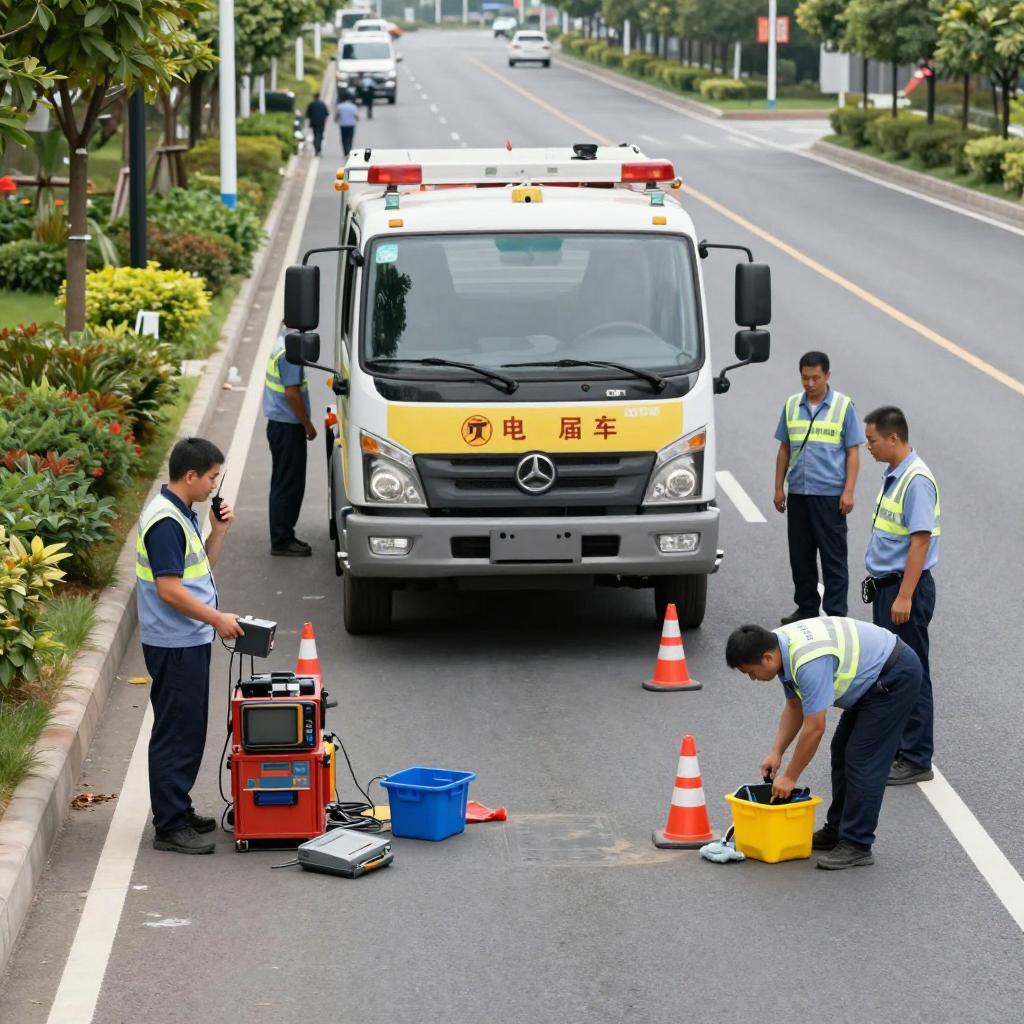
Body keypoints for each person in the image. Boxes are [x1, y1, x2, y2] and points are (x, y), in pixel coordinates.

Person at [726, 618, 922, 870]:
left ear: (767, 658)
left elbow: (815, 728)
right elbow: (795, 705)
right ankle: (838, 829)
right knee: (841, 751)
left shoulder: (808, 661)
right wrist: (776, 753)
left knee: (862, 759)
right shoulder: (778, 646)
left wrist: (789, 777)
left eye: (750, 672)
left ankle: (857, 843)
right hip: (872, 679)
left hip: (893, 677)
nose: (752, 678)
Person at [135, 437, 244, 855]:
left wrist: (218, 532)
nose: (215, 485)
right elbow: (168, 590)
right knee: (176, 732)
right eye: (212, 477)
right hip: (175, 641)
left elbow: (201, 569)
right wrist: (217, 619)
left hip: (187, 638)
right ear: (191, 475)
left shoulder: (182, 513)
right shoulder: (165, 521)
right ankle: (170, 824)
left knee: (188, 727)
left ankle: (177, 807)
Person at [862, 406, 939, 787]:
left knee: (912, 671)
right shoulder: (894, 473)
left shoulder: (916, 480)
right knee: (891, 668)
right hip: (887, 587)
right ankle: (900, 747)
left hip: (903, 589)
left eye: (873, 440)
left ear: (894, 438)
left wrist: (905, 596)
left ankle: (916, 756)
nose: (868, 447)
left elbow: (920, 542)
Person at [773, 351, 864, 624]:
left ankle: (836, 613)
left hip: (829, 496)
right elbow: (784, 448)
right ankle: (807, 607)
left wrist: (849, 490)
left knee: (833, 557)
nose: (810, 383)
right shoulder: (791, 405)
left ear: (827, 376)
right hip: (799, 494)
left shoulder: (843, 406)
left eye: (815, 378)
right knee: (800, 556)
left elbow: (853, 452)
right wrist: (779, 488)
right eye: (805, 378)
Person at [264, 325, 317, 556]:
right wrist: (308, 424)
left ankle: (283, 534)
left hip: (279, 424)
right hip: (288, 426)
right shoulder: (290, 352)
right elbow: (292, 393)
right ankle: (282, 539)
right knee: (288, 485)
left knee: (282, 481)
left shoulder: (281, 341)